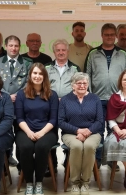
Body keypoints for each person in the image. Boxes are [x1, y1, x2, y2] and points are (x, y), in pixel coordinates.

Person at [85, 23, 126, 170]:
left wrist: (125, 96)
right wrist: (90, 96)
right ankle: (97, 161)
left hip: (116, 99)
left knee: (113, 131)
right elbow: (88, 75)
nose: (109, 37)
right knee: (97, 130)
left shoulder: (122, 54)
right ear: (102, 35)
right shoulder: (93, 53)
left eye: (112, 34)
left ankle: (112, 160)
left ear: (115, 36)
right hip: (97, 98)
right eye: (106, 34)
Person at [15, 63, 59, 195]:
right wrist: (29, 132)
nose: (37, 76)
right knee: (26, 147)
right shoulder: (21, 94)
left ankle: (39, 182)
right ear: (30, 75)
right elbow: (20, 118)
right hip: (25, 130)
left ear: (44, 77)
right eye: (35, 73)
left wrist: (41, 133)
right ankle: (29, 183)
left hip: (47, 131)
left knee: (41, 147)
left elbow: (53, 120)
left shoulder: (52, 95)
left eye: (40, 74)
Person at [58, 72, 103, 195]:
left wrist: (88, 131)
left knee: (88, 146)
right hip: (71, 133)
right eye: (79, 83)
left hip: (92, 132)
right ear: (73, 85)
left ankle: (85, 183)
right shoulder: (65, 100)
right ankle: (75, 183)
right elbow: (61, 121)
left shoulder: (95, 99)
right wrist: (78, 131)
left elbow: (100, 121)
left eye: (85, 83)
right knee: (77, 146)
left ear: (88, 84)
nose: (82, 85)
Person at [0, 35, 32, 169]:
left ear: (20, 47)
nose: (13, 48)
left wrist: (17, 95)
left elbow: (29, 83)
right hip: (3, 103)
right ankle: (4, 164)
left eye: (16, 46)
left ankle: (23, 166)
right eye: (11, 45)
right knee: (4, 133)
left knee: (21, 135)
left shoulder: (27, 62)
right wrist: (7, 96)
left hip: (21, 103)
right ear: (6, 46)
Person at [45, 39, 81, 176]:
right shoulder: (46, 67)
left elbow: (79, 87)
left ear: (68, 51)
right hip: (50, 106)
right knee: (51, 134)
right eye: (58, 50)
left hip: (70, 106)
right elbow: (42, 87)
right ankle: (51, 164)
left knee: (69, 133)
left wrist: (66, 99)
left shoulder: (75, 68)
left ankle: (68, 162)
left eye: (63, 50)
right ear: (54, 52)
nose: (60, 52)